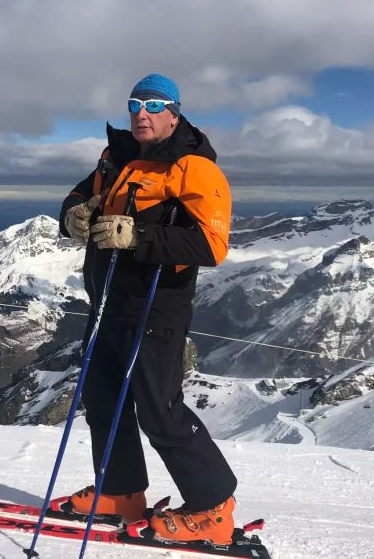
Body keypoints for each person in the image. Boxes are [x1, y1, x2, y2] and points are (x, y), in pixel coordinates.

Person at [58, 73, 238, 545]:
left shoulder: (193, 167)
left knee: (160, 410)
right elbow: (82, 193)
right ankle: (121, 493)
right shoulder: (117, 157)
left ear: (174, 112)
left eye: (155, 105)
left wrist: (138, 235)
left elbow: (210, 244)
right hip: (107, 302)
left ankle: (213, 508)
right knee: (102, 399)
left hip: (156, 309)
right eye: (136, 103)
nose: (142, 112)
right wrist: (71, 213)